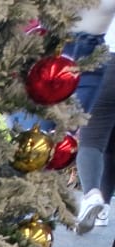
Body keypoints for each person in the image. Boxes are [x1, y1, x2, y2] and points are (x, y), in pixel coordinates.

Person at [72, 1, 115, 232]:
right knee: (111, 146)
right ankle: (103, 209)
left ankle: (91, 194)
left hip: (108, 61)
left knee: (92, 140)